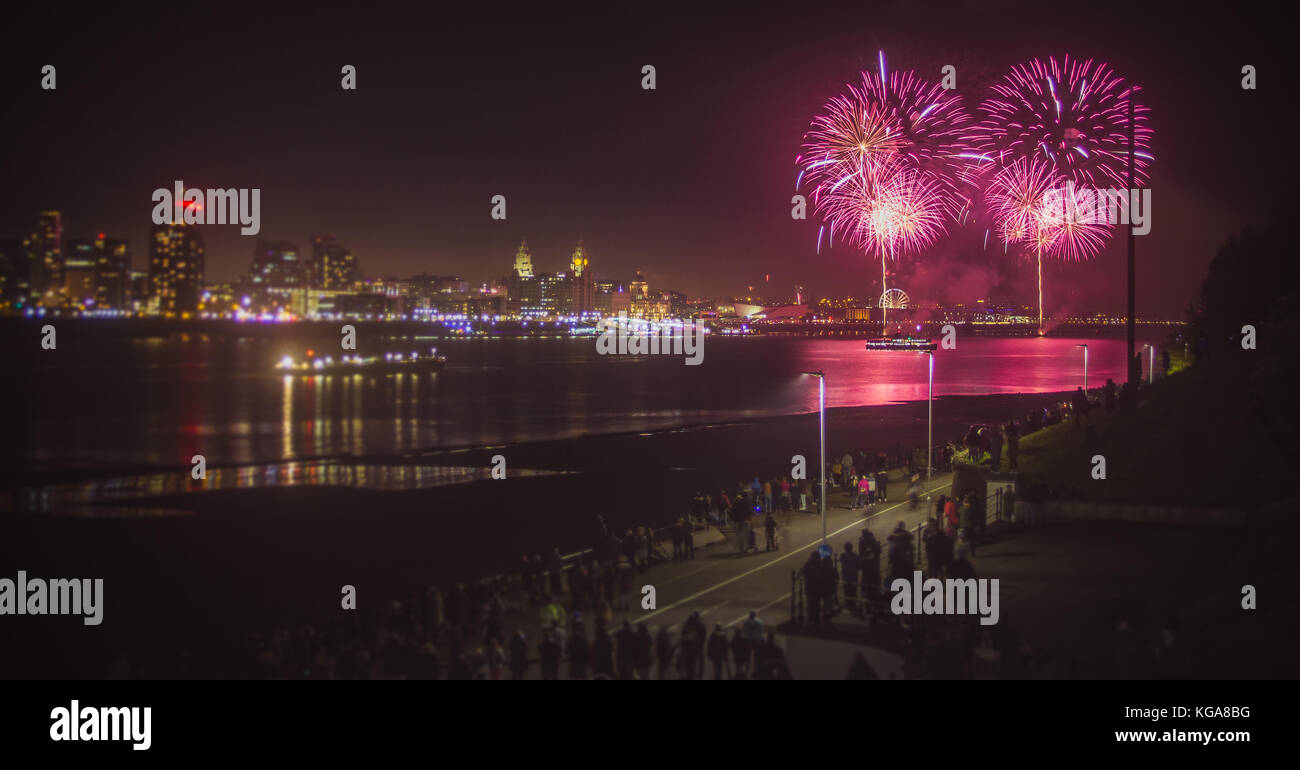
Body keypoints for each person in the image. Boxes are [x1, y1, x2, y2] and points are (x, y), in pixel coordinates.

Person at [838, 543, 860, 614]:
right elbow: (859, 565)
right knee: (853, 591)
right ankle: (853, 605)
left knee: (847, 591)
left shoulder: (843, 555)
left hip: (846, 576)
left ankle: (848, 604)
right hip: (854, 576)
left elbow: (840, 559)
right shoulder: (855, 555)